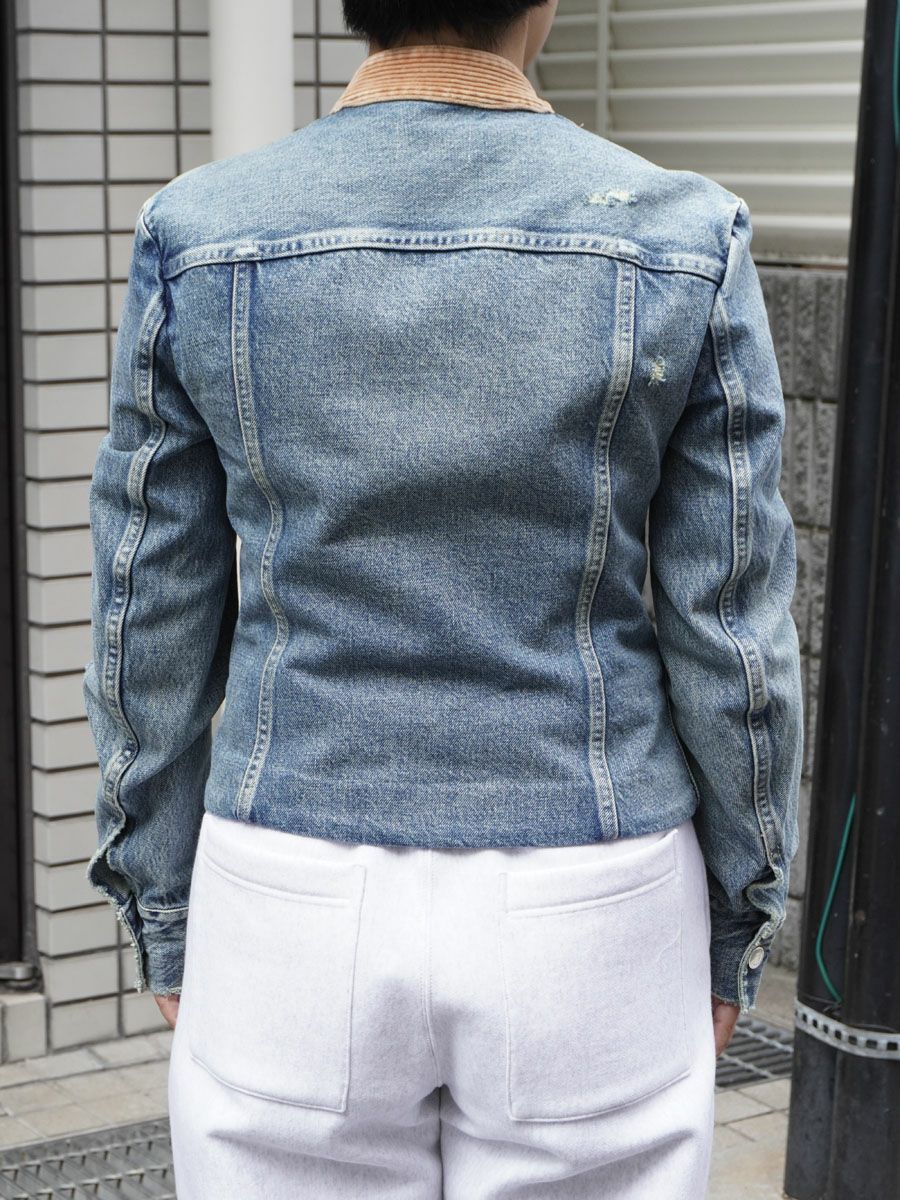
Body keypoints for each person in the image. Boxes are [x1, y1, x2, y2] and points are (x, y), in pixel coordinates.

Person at [82, 1, 804, 1196]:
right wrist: (742, 906)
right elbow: (733, 637)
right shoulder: (682, 236)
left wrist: (161, 896)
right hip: (593, 890)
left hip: (289, 886)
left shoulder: (200, 233)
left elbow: (142, 611)